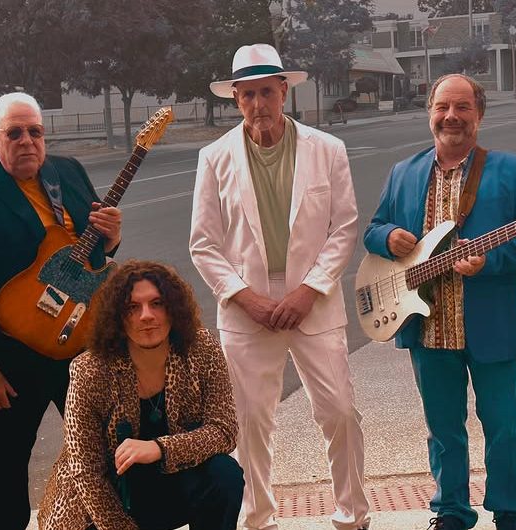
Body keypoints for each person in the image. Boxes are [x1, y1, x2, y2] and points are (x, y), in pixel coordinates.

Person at [189, 43, 369, 530]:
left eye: (266, 92)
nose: (258, 104)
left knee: (339, 411)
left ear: (284, 91)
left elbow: (343, 228)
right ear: (235, 98)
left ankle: (353, 516)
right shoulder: (214, 157)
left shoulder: (326, 149)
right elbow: (203, 243)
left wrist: (309, 290)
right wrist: (245, 298)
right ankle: (258, 519)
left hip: (313, 303)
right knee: (250, 421)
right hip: (246, 309)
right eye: (247, 95)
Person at [364, 74, 516, 530]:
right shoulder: (404, 172)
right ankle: (450, 511)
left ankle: (509, 511)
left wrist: (490, 260)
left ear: (479, 115)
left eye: (462, 107)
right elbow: (373, 228)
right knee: (443, 430)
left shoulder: (512, 169)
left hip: (491, 323)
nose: (451, 116)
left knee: (504, 427)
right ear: (430, 113)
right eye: (442, 107)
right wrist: (388, 237)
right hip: (427, 326)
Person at [0, 92, 123, 529]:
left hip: (82, 345)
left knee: (104, 454)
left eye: (35, 132)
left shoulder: (69, 171)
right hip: (14, 355)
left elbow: (93, 258)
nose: (27, 141)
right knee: (7, 465)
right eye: (15, 133)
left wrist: (113, 237)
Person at [37, 260, 243, 529]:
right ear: (118, 318)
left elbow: (224, 430)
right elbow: (87, 471)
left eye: (157, 303)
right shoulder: (90, 370)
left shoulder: (202, 348)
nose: (146, 315)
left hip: (174, 476)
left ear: (174, 309)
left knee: (224, 475)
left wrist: (159, 448)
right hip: (110, 496)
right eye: (132, 307)